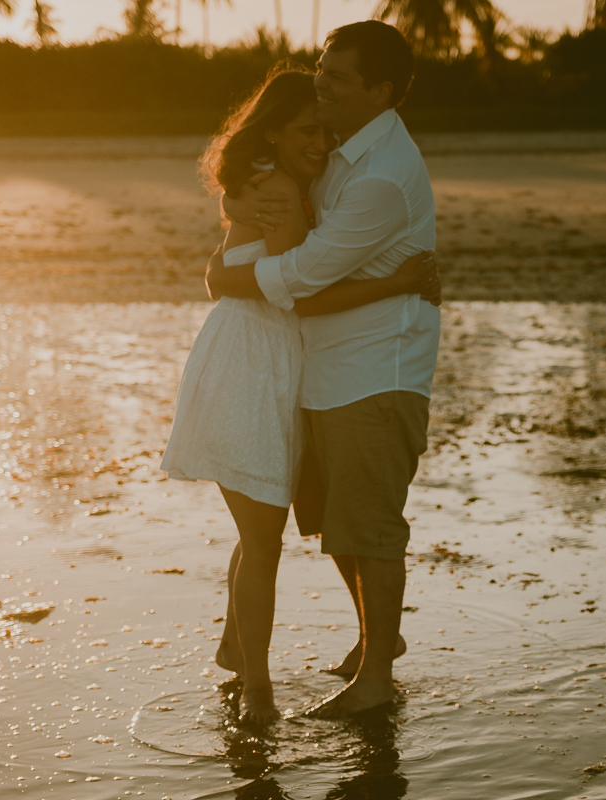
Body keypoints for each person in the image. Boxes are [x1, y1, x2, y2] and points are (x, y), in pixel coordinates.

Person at [159, 65, 440, 724]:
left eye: (325, 130)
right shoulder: (281, 189)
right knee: (263, 542)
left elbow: (231, 272)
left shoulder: (294, 183)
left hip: (282, 362)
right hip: (255, 362)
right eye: (308, 130)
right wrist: (396, 284)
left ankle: (240, 658)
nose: (322, 141)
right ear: (275, 133)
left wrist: (221, 270)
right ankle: (257, 692)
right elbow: (299, 290)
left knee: (260, 532)